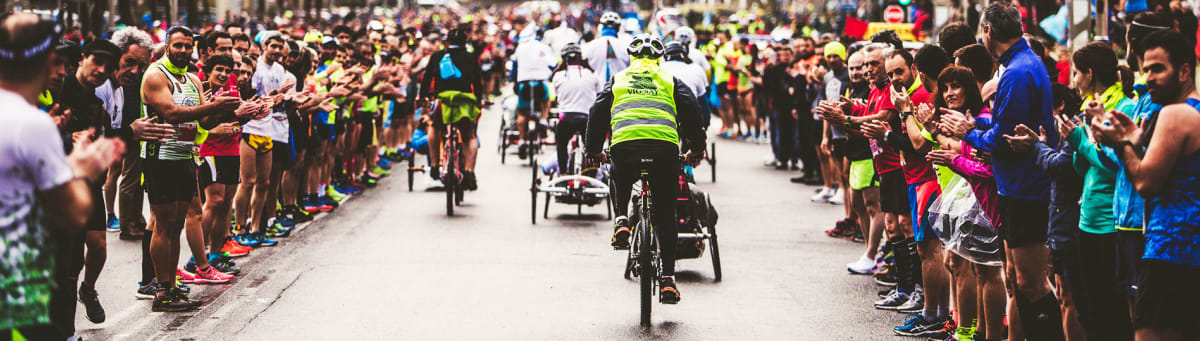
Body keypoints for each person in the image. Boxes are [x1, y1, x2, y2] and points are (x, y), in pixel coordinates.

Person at [938, 2, 1063, 338]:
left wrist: (968, 133)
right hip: (1016, 187)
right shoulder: (1019, 64)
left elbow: (1003, 137)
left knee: (1030, 283)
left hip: (1026, 188)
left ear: (988, 31)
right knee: (1016, 281)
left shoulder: (1019, 70)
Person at [0, 13, 124, 340]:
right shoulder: (32, 123)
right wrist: (80, 168)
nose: (60, 73)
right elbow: (72, 210)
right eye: (56, 63)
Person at [1093, 29, 1200, 341]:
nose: (1148, 77)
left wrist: (1120, 145)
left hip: (1170, 252)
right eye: (1145, 69)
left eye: (1158, 68)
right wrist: (1135, 141)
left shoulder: (1175, 114)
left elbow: (1145, 183)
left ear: (1183, 71)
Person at [585, 34, 706, 305]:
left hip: (625, 149)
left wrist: (592, 150)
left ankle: (620, 221)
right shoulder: (669, 80)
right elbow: (692, 111)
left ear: (632, 58)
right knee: (665, 213)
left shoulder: (618, 79)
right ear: (658, 58)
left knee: (619, 171)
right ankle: (668, 281)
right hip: (664, 151)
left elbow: (597, 113)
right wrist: (697, 149)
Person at [141, 26, 242, 312]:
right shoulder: (156, 75)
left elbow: (204, 124)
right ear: (167, 45)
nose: (184, 50)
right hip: (159, 157)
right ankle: (161, 290)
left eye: (188, 46)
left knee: (175, 226)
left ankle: (172, 287)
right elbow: (170, 113)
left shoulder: (194, 79)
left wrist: (232, 112)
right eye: (179, 46)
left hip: (186, 155)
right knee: (163, 224)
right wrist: (212, 106)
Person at [420, 28, 486, 190]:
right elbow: (477, 83)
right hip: (463, 102)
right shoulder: (471, 58)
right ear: (465, 43)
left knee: (435, 127)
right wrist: (478, 101)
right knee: (469, 135)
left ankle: (435, 164)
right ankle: (469, 171)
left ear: (447, 42)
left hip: (442, 102)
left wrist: (423, 97)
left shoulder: (437, 56)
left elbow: (426, 79)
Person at [549, 43, 602, 174]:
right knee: (592, 149)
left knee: (561, 145)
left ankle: (563, 173)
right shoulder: (592, 74)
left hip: (566, 118)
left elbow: (557, 97)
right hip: (587, 120)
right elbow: (599, 95)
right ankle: (591, 176)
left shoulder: (558, 76)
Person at [511, 26, 556, 160]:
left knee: (521, 113)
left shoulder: (520, 48)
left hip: (524, 84)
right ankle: (543, 119)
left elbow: (514, 67)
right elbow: (553, 64)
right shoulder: (544, 47)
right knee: (546, 102)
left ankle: (521, 140)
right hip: (540, 83)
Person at [581, 11, 630, 81]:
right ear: (618, 27)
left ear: (601, 26)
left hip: (597, 88)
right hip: (619, 89)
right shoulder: (626, 47)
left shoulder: (588, 47)